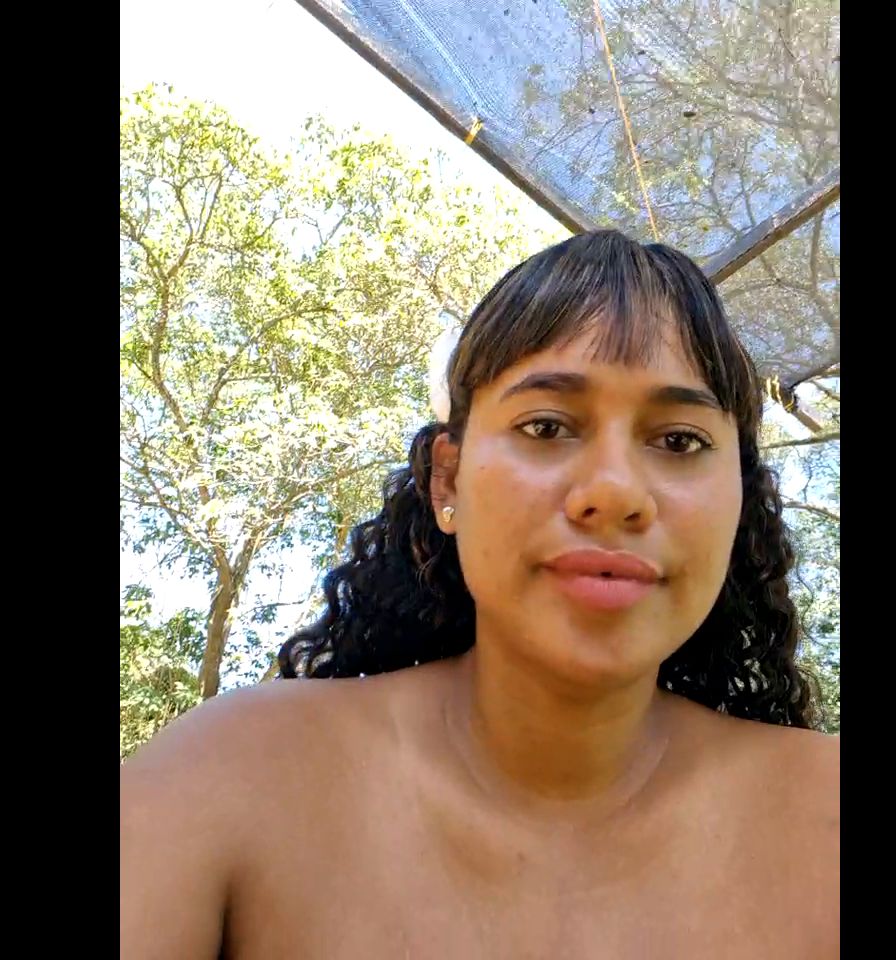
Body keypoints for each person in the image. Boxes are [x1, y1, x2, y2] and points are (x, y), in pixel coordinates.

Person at [121, 230, 839, 959]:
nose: (616, 491)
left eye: (679, 441)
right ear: (448, 480)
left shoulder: (824, 819)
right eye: (546, 426)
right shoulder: (239, 777)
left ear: (738, 500)